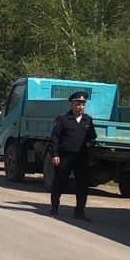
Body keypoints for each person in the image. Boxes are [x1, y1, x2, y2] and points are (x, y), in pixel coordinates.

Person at [48, 90, 97, 220]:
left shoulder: (88, 120)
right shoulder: (63, 119)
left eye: (82, 104)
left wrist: (90, 150)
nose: (80, 107)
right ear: (72, 104)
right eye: (77, 104)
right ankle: (54, 208)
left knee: (82, 185)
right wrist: (55, 154)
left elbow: (92, 137)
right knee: (59, 182)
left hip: (81, 158)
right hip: (64, 157)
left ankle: (79, 212)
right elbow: (55, 138)